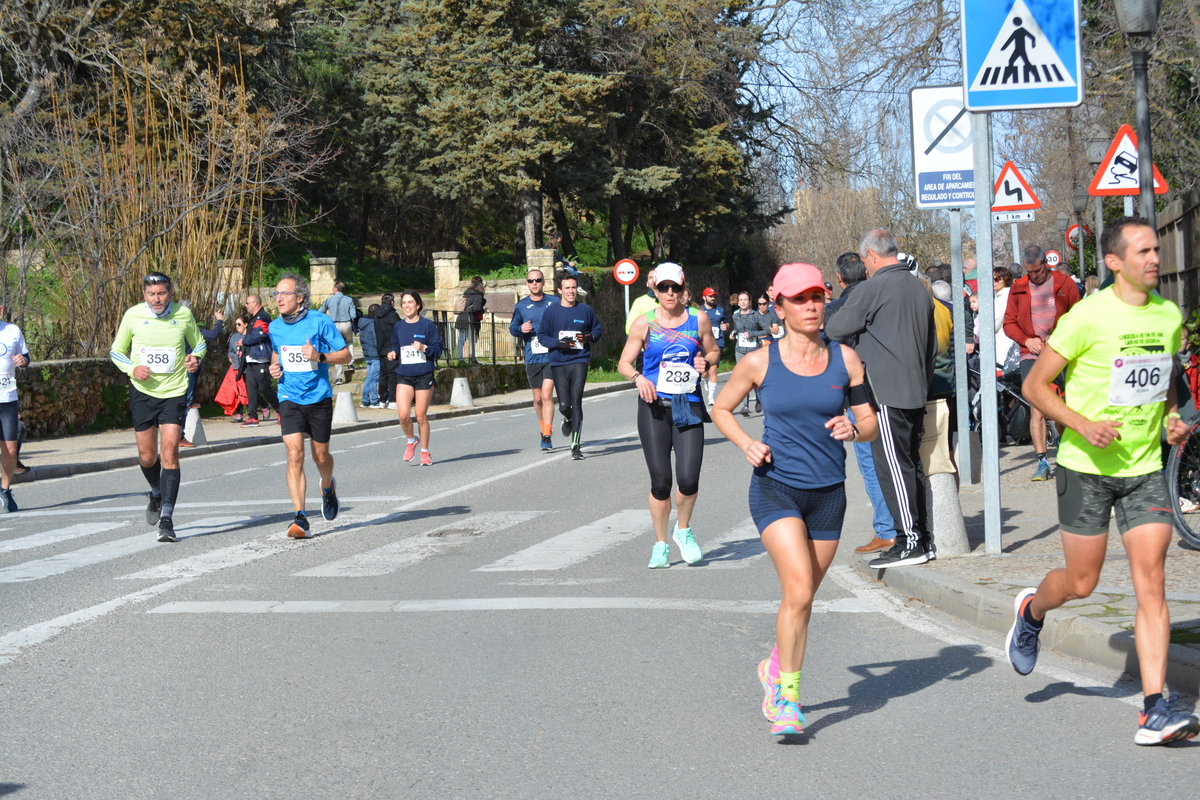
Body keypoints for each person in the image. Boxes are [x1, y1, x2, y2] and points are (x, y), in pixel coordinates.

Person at [1008, 217, 1199, 746]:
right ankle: (1032, 610)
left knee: (1152, 583)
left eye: (1156, 249)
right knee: (1083, 582)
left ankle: (1155, 709)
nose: (1154, 259)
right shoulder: (1086, 317)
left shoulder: (1167, 316)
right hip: (1086, 469)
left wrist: (1170, 422)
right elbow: (1035, 385)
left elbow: (1162, 386)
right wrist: (1082, 423)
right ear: (1113, 262)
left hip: (1142, 471)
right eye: (1141, 251)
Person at [712, 262, 878, 736]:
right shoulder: (760, 361)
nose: (811, 306)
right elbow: (721, 408)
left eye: (817, 297)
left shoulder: (845, 359)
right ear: (779, 306)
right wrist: (747, 443)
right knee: (800, 591)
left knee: (802, 599)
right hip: (776, 486)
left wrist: (854, 428)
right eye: (799, 299)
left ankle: (772, 666)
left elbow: (868, 422)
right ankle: (788, 698)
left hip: (828, 494)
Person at [826, 228, 936, 568]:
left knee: (892, 467)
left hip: (886, 391)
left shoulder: (874, 287)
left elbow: (835, 328)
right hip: (916, 388)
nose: (867, 267)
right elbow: (930, 346)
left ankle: (909, 541)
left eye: (866, 261)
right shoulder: (919, 287)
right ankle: (922, 539)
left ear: (871, 257)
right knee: (911, 465)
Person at [618, 262, 719, 568]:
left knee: (688, 479)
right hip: (653, 409)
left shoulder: (698, 319)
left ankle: (683, 530)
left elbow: (713, 351)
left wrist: (706, 361)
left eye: (674, 287)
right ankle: (660, 543)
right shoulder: (643, 324)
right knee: (661, 481)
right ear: (655, 290)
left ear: (683, 287)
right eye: (664, 288)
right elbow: (624, 362)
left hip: (687, 406)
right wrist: (639, 378)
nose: (670, 293)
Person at [109, 272, 204, 542]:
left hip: (174, 392)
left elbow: (199, 343)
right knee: (147, 456)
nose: (156, 299)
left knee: (170, 452)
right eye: (151, 294)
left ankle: (167, 519)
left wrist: (195, 358)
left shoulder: (183, 315)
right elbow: (116, 351)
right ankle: (155, 491)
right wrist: (132, 368)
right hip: (142, 393)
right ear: (144, 295)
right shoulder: (133, 315)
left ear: (170, 293)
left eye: (161, 293)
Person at [267, 273, 351, 538]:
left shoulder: (320, 321)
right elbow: (276, 353)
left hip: (318, 398)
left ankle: (327, 487)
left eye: (284, 294)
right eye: (276, 294)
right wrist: (274, 367)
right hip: (289, 397)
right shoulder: (274, 327)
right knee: (294, 455)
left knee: (320, 457)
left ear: (300, 298)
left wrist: (320, 355)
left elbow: (347, 356)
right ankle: (300, 517)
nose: (278, 298)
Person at [826, 253, 897, 555]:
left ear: (840, 279)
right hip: (895, 389)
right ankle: (905, 523)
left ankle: (886, 528)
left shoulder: (836, 310)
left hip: (859, 396)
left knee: (871, 464)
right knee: (899, 461)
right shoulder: (883, 300)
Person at [1003, 244, 1081, 481]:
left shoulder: (1064, 283)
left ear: (1046, 264)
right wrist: (1027, 340)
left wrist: (1060, 338)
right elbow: (1009, 323)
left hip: (1060, 351)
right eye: (1030, 272)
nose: (1034, 276)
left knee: (1059, 407)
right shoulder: (1018, 288)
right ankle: (1042, 461)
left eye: (1037, 271)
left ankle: (1065, 450)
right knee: (1037, 404)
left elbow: (1079, 316)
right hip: (1031, 353)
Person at [537, 274, 602, 460]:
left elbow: (597, 329)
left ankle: (575, 445)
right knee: (565, 405)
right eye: (567, 288)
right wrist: (557, 343)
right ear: (560, 290)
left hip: (580, 360)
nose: (571, 291)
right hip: (559, 361)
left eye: (573, 288)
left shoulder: (585, 310)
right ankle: (567, 418)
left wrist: (590, 337)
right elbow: (542, 336)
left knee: (577, 400)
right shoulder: (551, 312)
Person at [386, 291, 442, 466]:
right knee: (403, 416)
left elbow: (438, 349)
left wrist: (424, 347)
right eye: (404, 303)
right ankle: (411, 440)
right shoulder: (399, 326)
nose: (407, 306)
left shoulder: (427, 325)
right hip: (404, 374)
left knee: (420, 416)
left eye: (410, 302)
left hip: (424, 374)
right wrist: (393, 353)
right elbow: (396, 344)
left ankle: (425, 452)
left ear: (418, 305)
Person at [509, 269, 559, 450]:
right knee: (537, 398)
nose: (535, 283)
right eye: (531, 280)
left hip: (552, 354)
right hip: (532, 356)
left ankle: (547, 435)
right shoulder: (521, 306)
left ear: (543, 282)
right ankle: (543, 429)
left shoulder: (554, 302)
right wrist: (521, 328)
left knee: (546, 394)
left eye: (538, 280)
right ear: (527, 284)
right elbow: (513, 328)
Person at [0, 305, 30, 512]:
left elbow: (26, 358)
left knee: (10, 451)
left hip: (7, 399)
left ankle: (5, 490)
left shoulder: (12, 330)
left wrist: (23, 361)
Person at [240, 294, 279, 427]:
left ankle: (282, 412)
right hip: (251, 359)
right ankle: (252, 417)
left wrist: (243, 341)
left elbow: (259, 334)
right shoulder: (252, 319)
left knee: (265, 387)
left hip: (261, 358)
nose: (246, 306)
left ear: (255, 303)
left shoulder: (263, 317)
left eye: (247, 303)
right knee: (251, 389)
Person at [730, 291, 769, 416]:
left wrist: (752, 334)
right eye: (740, 300)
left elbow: (766, 330)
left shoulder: (756, 315)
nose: (742, 302)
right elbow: (735, 329)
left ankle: (759, 398)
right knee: (742, 378)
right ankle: (745, 406)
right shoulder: (735, 316)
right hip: (740, 350)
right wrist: (733, 334)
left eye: (745, 300)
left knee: (755, 378)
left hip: (753, 350)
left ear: (750, 302)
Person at [318, 281, 357, 385]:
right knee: (349, 341)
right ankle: (350, 362)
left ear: (336, 289)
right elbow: (353, 314)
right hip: (347, 324)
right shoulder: (349, 300)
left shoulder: (329, 300)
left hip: (334, 325)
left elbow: (320, 312)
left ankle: (339, 377)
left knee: (337, 349)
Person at [700, 287, 728, 407]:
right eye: (710, 296)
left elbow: (726, 322)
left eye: (714, 296)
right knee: (704, 372)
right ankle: (706, 380)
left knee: (713, 369)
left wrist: (726, 326)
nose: (713, 298)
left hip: (717, 343)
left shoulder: (720, 310)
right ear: (704, 297)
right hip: (702, 343)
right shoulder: (700, 310)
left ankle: (711, 398)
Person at [373, 294, 400, 409]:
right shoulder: (393, 315)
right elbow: (400, 328)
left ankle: (382, 400)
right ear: (392, 302)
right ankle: (393, 400)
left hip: (380, 347)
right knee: (392, 374)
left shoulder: (376, 315)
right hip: (391, 348)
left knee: (383, 375)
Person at [455, 276, 486, 363]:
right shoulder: (478, 296)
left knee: (461, 339)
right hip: (470, 320)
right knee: (472, 340)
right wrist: (483, 310)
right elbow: (476, 308)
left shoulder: (466, 294)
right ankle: (472, 359)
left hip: (461, 319)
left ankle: (460, 359)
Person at [357, 303, 381, 408]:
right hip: (375, 354)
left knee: (369, 377)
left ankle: (365, 400)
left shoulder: (362, 323)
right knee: (374, 378)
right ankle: (374, 400)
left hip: (367, 353)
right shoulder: (373, 324)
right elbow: (376, 340)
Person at [625, 268, 659, 333]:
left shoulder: (670, 300)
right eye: (651, 278)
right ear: (647, 283)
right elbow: (629, 329)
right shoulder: (639, 302)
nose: (654, 280)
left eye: (656, 277)